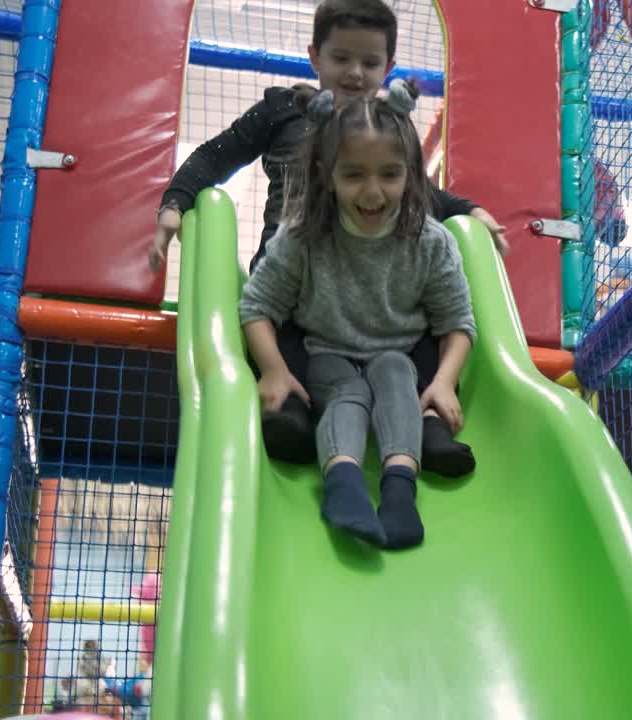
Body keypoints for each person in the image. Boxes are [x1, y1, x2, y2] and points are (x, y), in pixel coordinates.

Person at [152, 0, 496, 470]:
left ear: (388, 67)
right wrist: (176, 202)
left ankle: (429, 418)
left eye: (370, 62)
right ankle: (292, 407)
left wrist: (469, 210)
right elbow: (216, 155)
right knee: (277, 337)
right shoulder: (283, 110)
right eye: (341, 58)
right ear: (315, 57)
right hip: (298, 279)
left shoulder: (386, 127)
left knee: (424, 327)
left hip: (373, 279)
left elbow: (415, 194)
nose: (355, 72)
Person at [239, 85, 474, 549]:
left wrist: (445, 382)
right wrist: (274, 370)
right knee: (347, 390)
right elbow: (256, 306)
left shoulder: (430, 241)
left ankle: (399, 492)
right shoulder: (304, 236)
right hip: (326, 351)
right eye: (353, 175)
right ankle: (343, 483)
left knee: (396, 375)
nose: (372, 192)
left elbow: (458, 322)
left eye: (389, 174)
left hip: (398, 352)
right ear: (326, 175)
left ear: (411, 173)